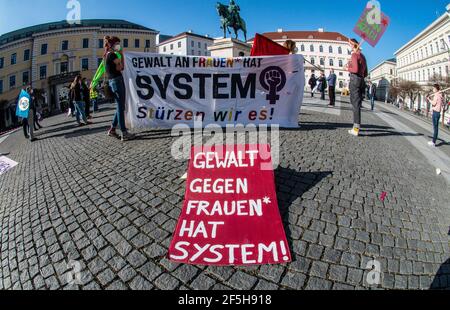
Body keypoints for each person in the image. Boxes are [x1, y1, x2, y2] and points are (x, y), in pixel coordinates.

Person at [104, 36, 135, 141]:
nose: (119, 45)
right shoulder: (112, 55)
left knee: (120, 106)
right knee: (120, 107)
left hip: (115, 81)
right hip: (116, 81)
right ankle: (124, 132)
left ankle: (112, 129)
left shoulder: (109, 55)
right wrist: (121, 53)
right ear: (112, 45)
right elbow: (121, 67)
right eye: (117, 43)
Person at [346, 38, 368, 137]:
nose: (349, 46)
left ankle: (355, 129)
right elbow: (366, 73)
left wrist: (348, 67)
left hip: (355, 80)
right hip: (361, 80)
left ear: (353, 45)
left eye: (350, 44)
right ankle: (356, 127)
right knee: (357, 104)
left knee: (355, 104)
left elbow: (354, 69)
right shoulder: (363, 56)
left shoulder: (354, 55)